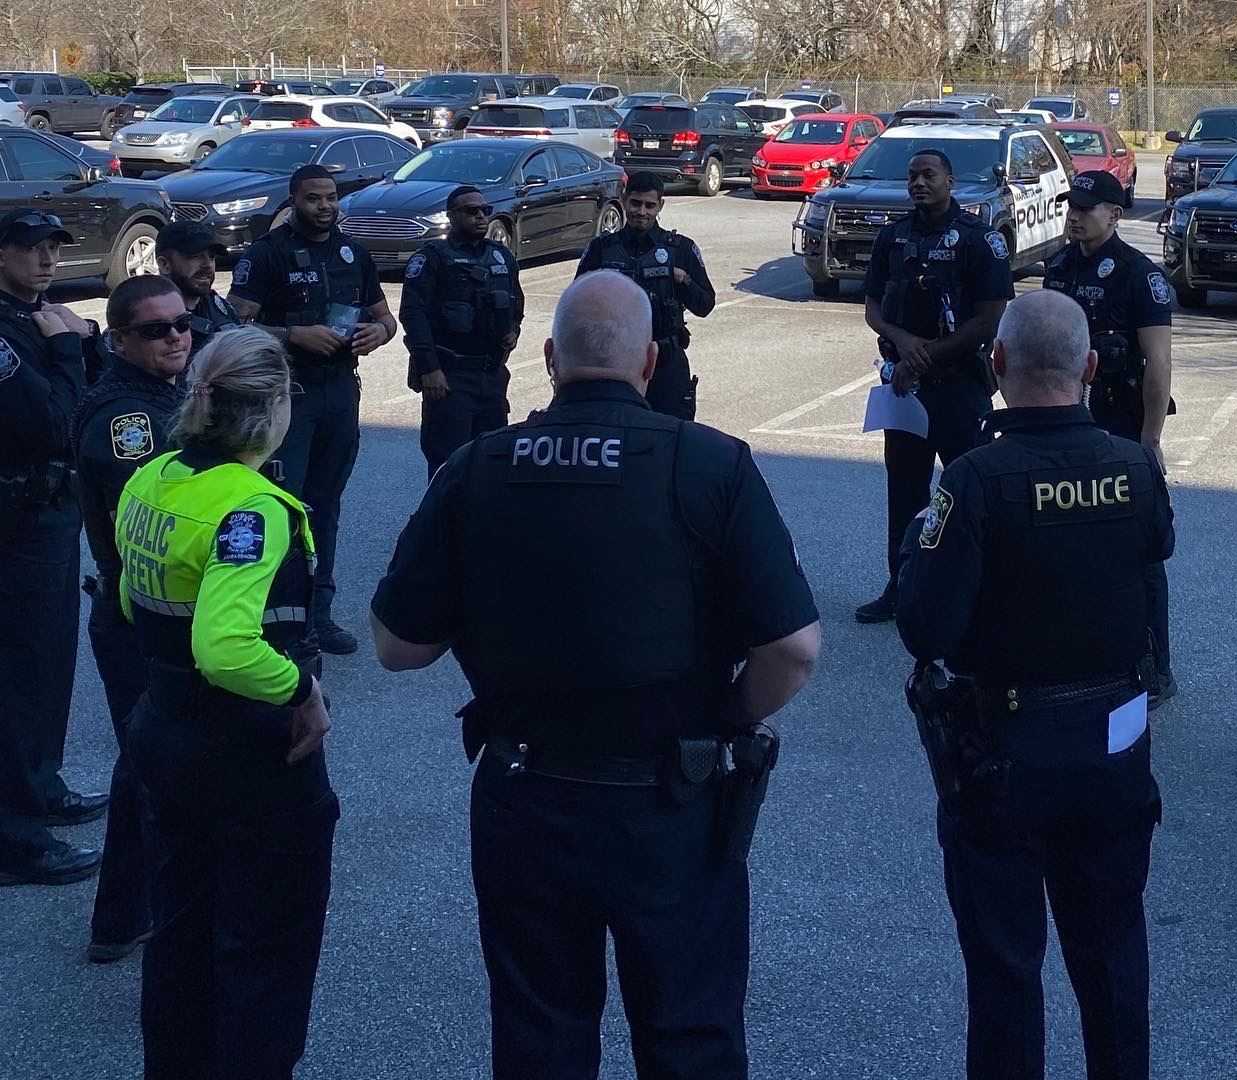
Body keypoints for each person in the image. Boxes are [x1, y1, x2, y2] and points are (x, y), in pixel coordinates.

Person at [370, 270, 820, 1079]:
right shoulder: (711, 465)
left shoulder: (477, 468)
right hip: (670, 801)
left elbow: (399, 646)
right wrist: (724, 716)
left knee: (541, 1033)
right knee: (689, 1034)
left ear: (548, 357)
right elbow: (792, 649)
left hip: (526, 793)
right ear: (651, 362)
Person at [897, 289, 1172, 1080]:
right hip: (1115, 743)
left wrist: (922, 547)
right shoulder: (1133, 465)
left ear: (997, 363)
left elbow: (927, 628)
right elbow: (1156, 549)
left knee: (1006, 967)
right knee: (1114, 952)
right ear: (1089, 368)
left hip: (1005, 753)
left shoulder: (976, 479)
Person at [115, 326, 338, 1076]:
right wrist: (301, 691)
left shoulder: (153, 478)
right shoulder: (251, 509)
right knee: (266, 952)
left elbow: (128, 595)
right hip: (245, 750)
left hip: (162, 729)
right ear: (274, 409)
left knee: (179, 933)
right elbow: (227, 645)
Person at [227, 163, 396, 655]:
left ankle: (318, 615)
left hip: (340, 394)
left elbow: (386, 319)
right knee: (281, 506)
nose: (325, 206)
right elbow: (232, 325)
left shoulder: (354, 253)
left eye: (330, 198)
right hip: (286, 398)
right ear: (293, 200)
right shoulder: (266, 255)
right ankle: (270, 619)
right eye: (313, 198)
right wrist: (292, 335)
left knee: (326, 507)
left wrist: (376, 335)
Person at [71, 275, 192, 959]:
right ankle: (123, 917)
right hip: (134, 617)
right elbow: (152, 512)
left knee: (151, 764)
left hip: (154, 612)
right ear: (119, 338)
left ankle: (128, 912)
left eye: (182, 324)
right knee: (151, 766)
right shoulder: (125, 416)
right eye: (157, 329)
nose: (177, 336)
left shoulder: (162, 392)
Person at [855, 147, 1012, 624]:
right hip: (906, 391)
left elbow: (989, 320)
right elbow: (873, 308)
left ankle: (979, 591)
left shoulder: (979, 240)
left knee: (969, 493)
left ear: (950, 180)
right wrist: (904, 345)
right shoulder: (893, 238)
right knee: (904, 492)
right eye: (912, 176)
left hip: (959, 389)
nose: (918, 183)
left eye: (928, 175)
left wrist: (923, 358)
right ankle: (901, 586)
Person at [0, 208, 107, 887]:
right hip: (17, 515)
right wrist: (70, 348)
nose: (46, 259)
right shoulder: (12, 334)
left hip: (51, 511)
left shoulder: (40, 316)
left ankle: (40, 785)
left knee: (51, 660)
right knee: (19, 673)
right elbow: (58, 422)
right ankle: (16, 836)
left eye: (52, 248)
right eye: (30, 248)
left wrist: (83, 340)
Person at [1042, 170, 1177, 705]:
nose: (1075, 214)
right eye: (1070, 204)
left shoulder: (1138, 275)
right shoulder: (1058, 267)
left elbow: (1159, 361)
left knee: (1138, 556)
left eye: (1087, 207)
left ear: (1115, 214)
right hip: (1066, 424)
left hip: (1121, 425)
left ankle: (1155, 666)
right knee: (1066, 543)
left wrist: (1150, 439)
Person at [399, 184, 525, 477]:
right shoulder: (432, 257)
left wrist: (514, 330)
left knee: (491, 462)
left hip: (491, 376)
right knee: (448, 466)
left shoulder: (501, 257)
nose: (481, 216)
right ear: (451, 216)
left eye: (485, 210)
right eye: (471, 211)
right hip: (450, 377)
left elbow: (517, 302)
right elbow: (413, 316)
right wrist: (429, 369)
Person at [574, 171, 715, 420]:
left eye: (650, 205)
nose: (642, 212)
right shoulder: (602, 249)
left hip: (666, 363)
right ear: (624, 199)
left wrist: (684, 280)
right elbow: (577, 303)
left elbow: (705, 305)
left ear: (660, 205)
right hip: (614, 364)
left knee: (671, 442)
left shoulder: (680, 248)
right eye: (635, 203)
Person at [155, 220, 240, 357]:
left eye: (211, 257)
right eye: (194, 256)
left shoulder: (218, 306)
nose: (207, 265)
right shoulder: (146, 317)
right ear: (164, 264)